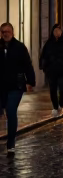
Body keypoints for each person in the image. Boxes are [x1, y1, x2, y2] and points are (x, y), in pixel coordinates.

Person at [0, 22, 35, 156]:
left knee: (10, 111)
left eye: (7, 31)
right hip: (1, 87)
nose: (5, 34)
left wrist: (30, 81)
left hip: (16, 86)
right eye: (3, 32)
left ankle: (11, 144)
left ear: (12, 32)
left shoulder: (20, 47)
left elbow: (28, 65)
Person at [40, 23, 63, 116]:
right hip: (51, 71)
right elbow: (44, 56)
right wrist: (44, 68)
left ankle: (61, 104)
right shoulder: (49, 43)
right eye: (55, 31)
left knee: (62, 89)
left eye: (59, 31)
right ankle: (55, 107)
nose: (57, 32)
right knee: (53, 90)